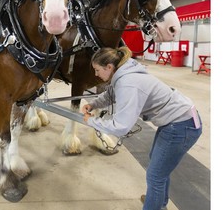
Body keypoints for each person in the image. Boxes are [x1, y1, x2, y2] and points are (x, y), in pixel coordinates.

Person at [82, 46, 202, 210]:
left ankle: (155, 202)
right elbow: (111, 94)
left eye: (97, 70)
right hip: (177, 120)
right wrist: (93, 104)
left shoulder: (127, 82)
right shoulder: (123, 73)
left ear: (109, 67)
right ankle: (159, 201)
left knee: (155, 176)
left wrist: (91, 121)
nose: (96, 74)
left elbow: (121, 126)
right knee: (158, 166)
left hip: (182, 124)